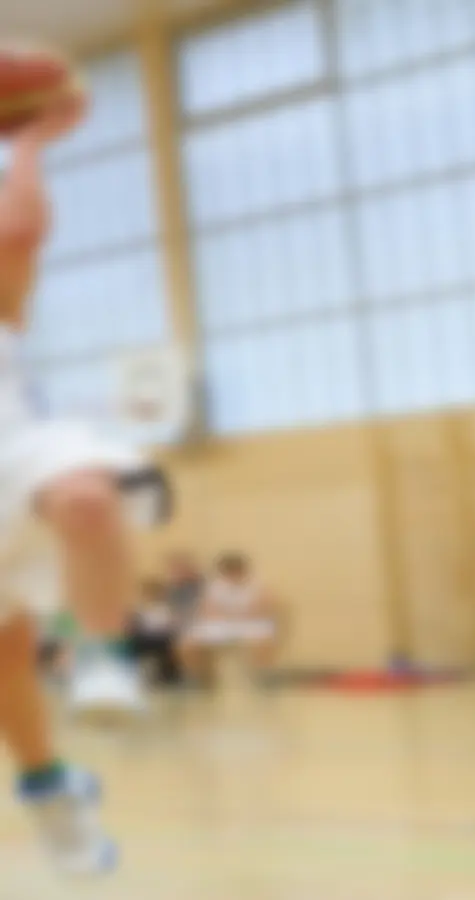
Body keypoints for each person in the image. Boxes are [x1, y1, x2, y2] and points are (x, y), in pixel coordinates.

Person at [0, 83, 171, 875]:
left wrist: (28, 140)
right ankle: (52, 794)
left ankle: (105, 660)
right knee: (6, 655)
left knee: (86, 498)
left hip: (14, 454)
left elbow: (20, 230)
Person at [178, 553, 282, 684]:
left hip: (251, 624)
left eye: (236, 571)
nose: (232, 575)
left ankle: (263, 678)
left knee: (265, 641)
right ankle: (197, 678)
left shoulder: (257, 585)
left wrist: (239, 615)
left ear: (243, 570)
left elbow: (263, 608)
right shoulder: (215, 585)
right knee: (187, 644)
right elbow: (207, 609)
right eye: (228, 572)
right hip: (222, 624)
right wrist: (224, 616)